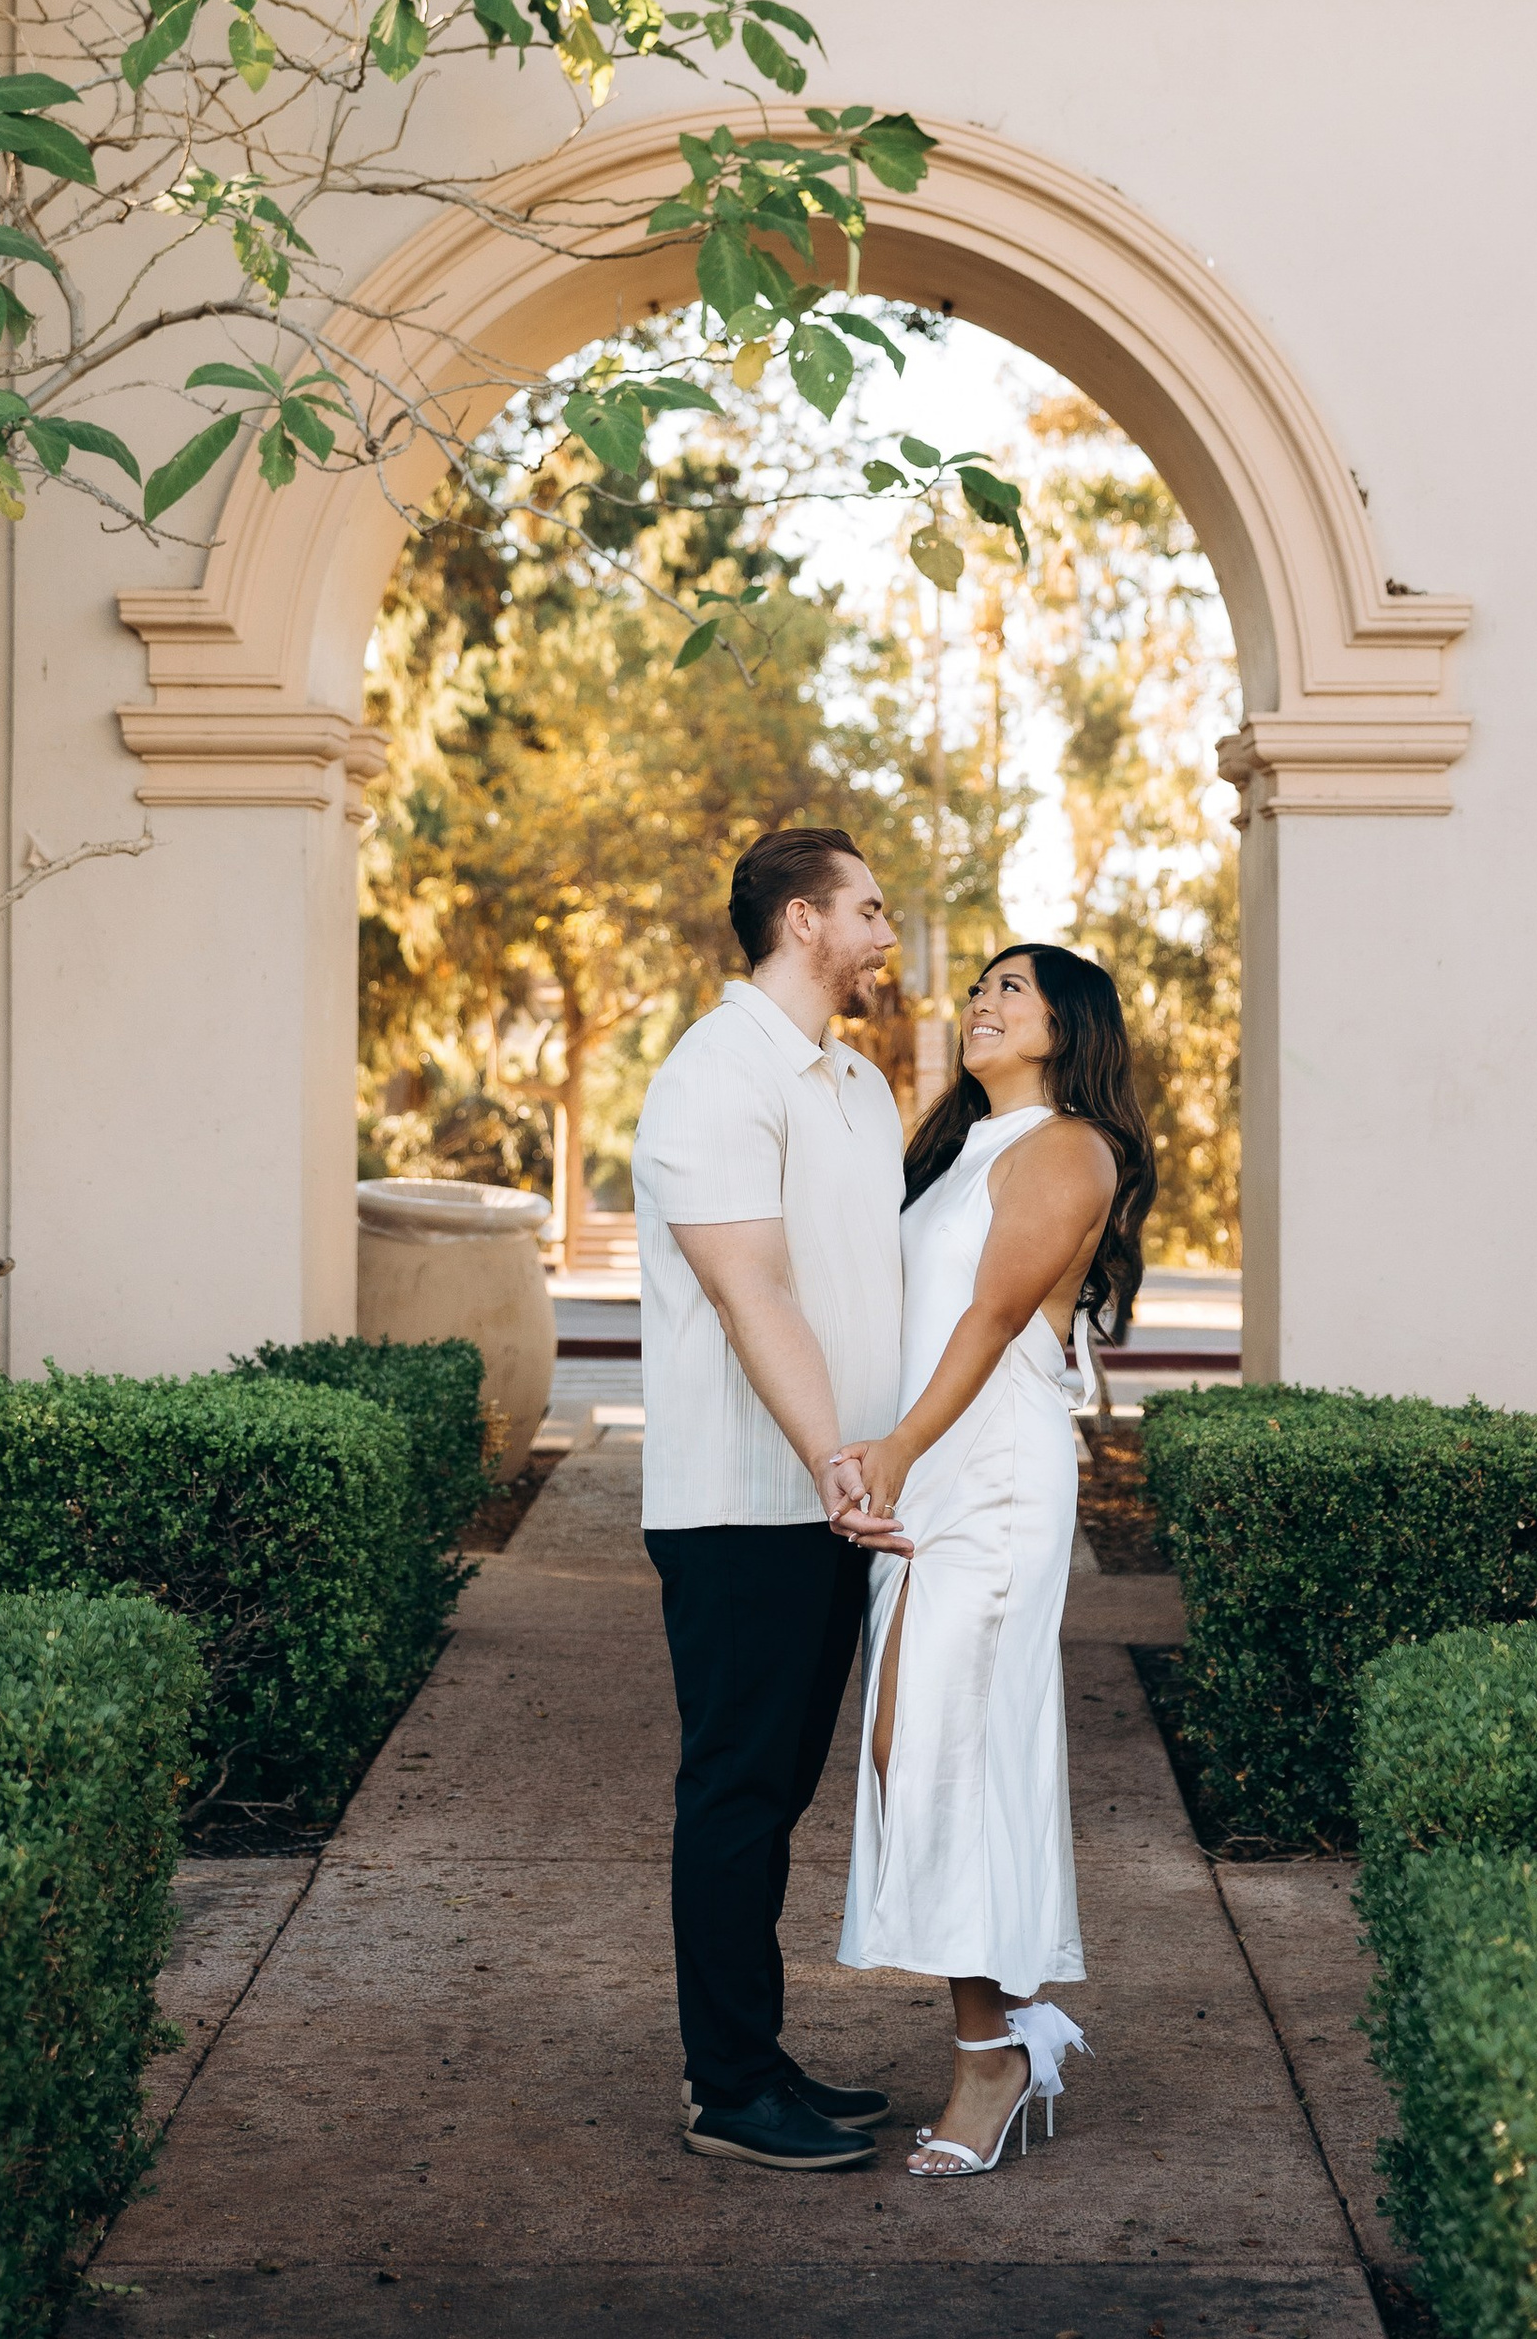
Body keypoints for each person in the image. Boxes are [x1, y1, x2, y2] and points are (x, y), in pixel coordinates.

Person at [835, 941, 1157, 2177]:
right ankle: (1000, 2034)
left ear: (1066, 1023)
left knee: (937, 1744)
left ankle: (993, 2056)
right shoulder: (954, 1146)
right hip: (933, 1465)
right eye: (978, 986)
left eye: (1010, 989)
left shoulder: (1068, 1146)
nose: (982, 1001)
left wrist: (900, 1449)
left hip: (991, 1470)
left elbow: (988, 1316)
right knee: (916, 1745)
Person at [630, 824, 908, 2172]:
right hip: (746, 1504)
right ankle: (728, 2087)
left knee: (779, 1795)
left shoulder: (856, 1082)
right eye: (868, 908)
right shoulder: (713, 1072)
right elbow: (755, 1293)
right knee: (736, 1795)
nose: (885, 931)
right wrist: (832, 1462)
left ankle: (758, 2048)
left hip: (833, 1503)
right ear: (802, 920)